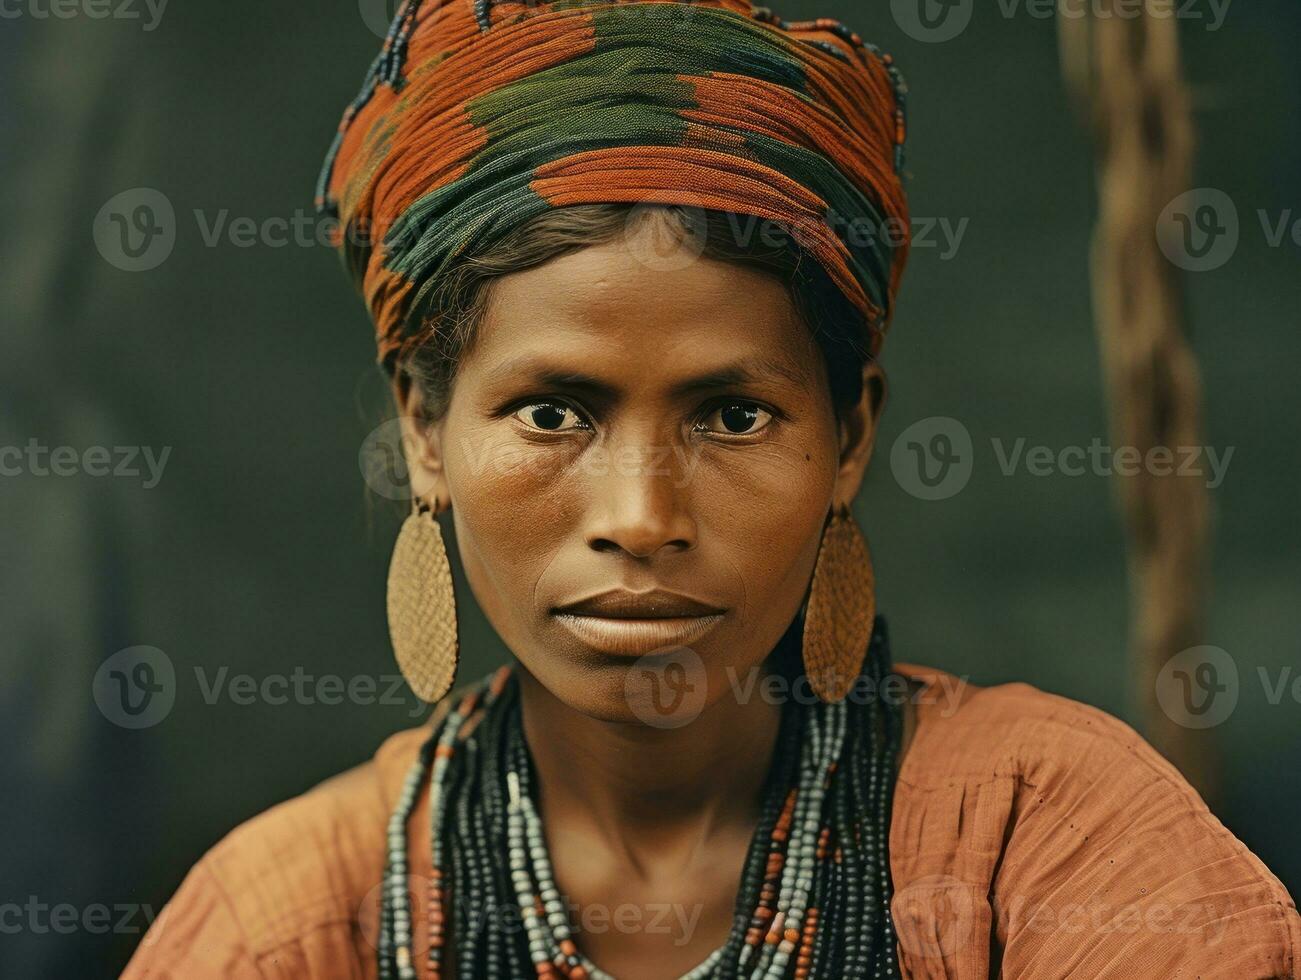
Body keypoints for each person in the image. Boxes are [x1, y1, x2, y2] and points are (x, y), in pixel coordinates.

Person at [123, 0, 1299, 976]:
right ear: (424, 429)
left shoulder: (1045, 841)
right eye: (552, 413)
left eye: (733, 415)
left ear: (847, 437)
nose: (640, 518)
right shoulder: (290, 924)